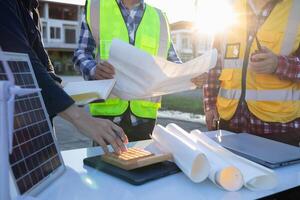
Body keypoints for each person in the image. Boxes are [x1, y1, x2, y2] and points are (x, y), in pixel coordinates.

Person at [0, 0, 128, 154]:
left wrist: (61, 88)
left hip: (34, 127)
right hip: (11, 130)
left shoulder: (31, 7)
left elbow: (42, 65)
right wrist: (80, 118)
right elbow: (23, 63)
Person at [74, 0, 183, 141]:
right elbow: (81, 53)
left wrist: (190, 74)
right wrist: (93, 69)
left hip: (145, 118)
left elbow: (172, 60)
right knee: (106, 162)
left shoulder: (159, 18)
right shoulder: (97, 8)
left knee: (142, 162)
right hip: (106, 116)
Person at [203, 0, 300, 146]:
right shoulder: (230, 9)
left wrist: (279, 64)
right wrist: (210, 104)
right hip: (229, 124)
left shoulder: (296, 9)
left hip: (278, 130)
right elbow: (215, 64)